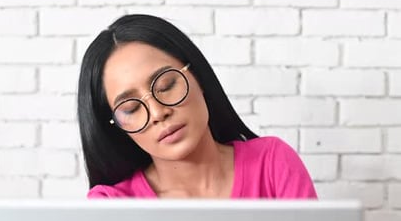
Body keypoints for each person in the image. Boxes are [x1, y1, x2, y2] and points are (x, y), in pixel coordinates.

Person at [77, 14, 317, 199]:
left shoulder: (273, 164)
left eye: (167, 85)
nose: (159, 113)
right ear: (117, 126)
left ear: (198, 77)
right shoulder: (112, 205)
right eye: (131, 109)